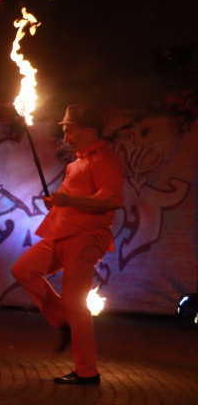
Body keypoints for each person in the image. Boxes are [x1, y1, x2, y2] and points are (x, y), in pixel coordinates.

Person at [11, 104, 124, 385]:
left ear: (88, 129)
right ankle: (62, 319)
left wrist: (69, 201)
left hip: (85, 237)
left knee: (76, 303)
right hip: (61, 233)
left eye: (69, 129)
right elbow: (72, 198)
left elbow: (110, 200)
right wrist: (58, 201)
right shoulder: (76, 163)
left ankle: (87, 372)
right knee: (24, 270)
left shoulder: (104, 160)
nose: (66, 134)